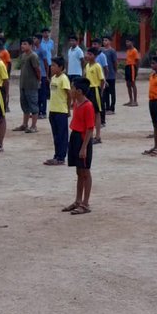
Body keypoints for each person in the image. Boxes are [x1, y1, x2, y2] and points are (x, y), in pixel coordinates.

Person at [63, 78, 96, 215]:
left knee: (85, 171)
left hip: (83, 140)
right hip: (75, 137)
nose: (70, 90)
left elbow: (90, 129)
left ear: (79, 91)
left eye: (72, 88)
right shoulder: (77, 103)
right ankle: (78, 200)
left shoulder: (88, 106)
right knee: (79, 171)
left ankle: (85, 203)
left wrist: (84, 148)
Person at [44, 57, 71, 166]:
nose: (52, 67)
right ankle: (56, 155)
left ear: (61, 67)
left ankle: (61, 157)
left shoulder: (64, 79)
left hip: (61, 111)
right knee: (56, 135)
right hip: (53, 110)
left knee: (62, 135)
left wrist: (68, 109)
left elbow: (69, 95)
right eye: (52, 65)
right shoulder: (53, 78)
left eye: (54, 65)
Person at [16, 38, 42, 134]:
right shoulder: (23, 55)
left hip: (31, 85)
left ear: (31, 45)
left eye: (25, 44)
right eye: (22, 44)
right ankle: (24, 124)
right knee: (25, 105)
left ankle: (34, 126)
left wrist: (39, 80)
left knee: (33, 105)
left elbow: (37, 70)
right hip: (23, 84)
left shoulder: (33, 56)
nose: (22, 46)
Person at [84, 48, 106, 141]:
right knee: (90, 112)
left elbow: (102, 80)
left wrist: (101, 91)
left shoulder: (97, 66)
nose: (88, 56)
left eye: (90, 54)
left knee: (97, 113)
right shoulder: (87, 66)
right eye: (87, 54)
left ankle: (98, 136)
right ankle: (89, 135)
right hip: (88, 89)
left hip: (95, 89)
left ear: (95, 56)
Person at [100, 37, 118, 114]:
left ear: (110, 41)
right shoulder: (101, 51)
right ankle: (107, 107)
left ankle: (112, 108)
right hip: (104, 75)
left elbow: (115, 62)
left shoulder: (112, 51)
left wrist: (115, 71)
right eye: (103, 40)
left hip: (111, 74)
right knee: (105, 92)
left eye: (106, 40)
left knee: (112, 92)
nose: (104, 42)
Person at [123, 39, 140, 107]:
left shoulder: (134, 50)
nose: (127, 43)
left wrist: (136, 70)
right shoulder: (127, 51)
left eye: (128, 42)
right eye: (126, 42)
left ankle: (135, 101)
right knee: (128, 84)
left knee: (133, 83)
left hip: (132, 67)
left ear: (132, 42)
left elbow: (137, 61)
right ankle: (130, 100)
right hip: (127, 67)